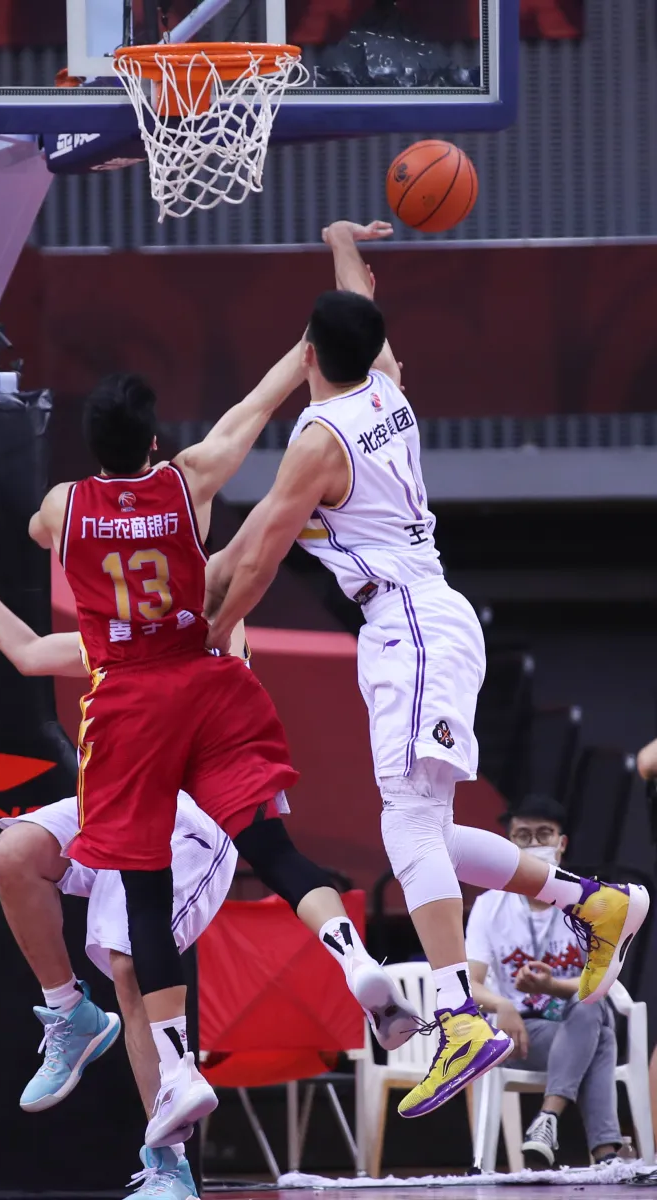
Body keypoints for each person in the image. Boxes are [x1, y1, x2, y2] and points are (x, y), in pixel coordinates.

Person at [202, 218, 650, 1119]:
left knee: (407, 826)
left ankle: (457, 1017)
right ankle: (591, 901)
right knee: (429, 836)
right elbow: (362, 314)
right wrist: (342, 243)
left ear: (308, 354)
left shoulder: (318, 439)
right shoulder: (386, 386)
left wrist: (213, 635)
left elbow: (257, 560)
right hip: (430, 614)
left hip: (407, 626)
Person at [27, 346, 419, 1150]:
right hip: (207, 684)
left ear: (93, 444)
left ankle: (178, 1072)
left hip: (130, 706)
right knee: (272, 848)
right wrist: (303, 355)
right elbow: (252, 412)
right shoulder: (187, 480)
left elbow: (39, 530)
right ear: (153, 442)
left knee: (143, 891)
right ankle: (354, 960)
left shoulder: (65, 506)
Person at [0, 493, 239, 1199]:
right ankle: (71, 1012)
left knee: (133, 967)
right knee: (14, 853)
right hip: (113, 804)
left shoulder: (209, 621)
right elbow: (27, 653)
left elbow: (231, 556)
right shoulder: (116, 636)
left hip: (189, 818)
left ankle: (170, 1170)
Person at [466, 796, 623, 1168]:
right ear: (509, 844)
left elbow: (602, 981)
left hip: (574, 1021)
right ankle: (605, 1155)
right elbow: (471, 983)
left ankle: (547, 1118)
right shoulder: (490, 906)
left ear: (561, 843)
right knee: (601, 1036)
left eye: (544, 834)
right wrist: (502, 1004)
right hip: (520, 1034)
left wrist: (552, 987)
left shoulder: (589, 903)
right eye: (523, 836)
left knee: (590, 1010)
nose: (534, 844)